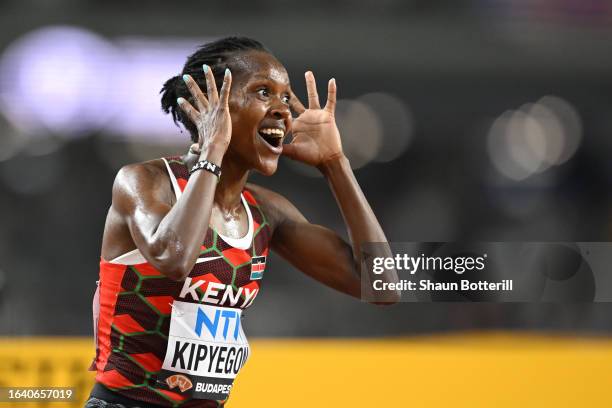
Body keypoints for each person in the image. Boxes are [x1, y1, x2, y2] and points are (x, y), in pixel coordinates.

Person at [86, 36, 399, 408]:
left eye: (286, 97)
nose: (284, 110)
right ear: (212, 104)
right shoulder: (146, 182)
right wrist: (212, 149)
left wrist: (335, 164)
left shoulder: (266, 211)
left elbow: (382, 286)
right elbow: (174, 257)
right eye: (264, 92)